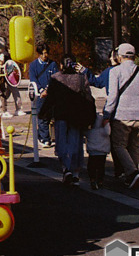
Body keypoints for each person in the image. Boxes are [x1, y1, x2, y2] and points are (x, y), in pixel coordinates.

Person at [103, 42, 139, 189]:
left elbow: (113, 96)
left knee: (118, 145)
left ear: (119, 56)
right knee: (135, 147)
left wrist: (106, 114)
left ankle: (132, 172)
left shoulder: (115, 71)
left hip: (122, 115)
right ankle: (132, 177)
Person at [39, 57, 96, 185]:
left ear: (61, 65)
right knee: (76, 144)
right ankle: (75, 173)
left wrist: (43, 113)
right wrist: (91, 116)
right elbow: (88, 97)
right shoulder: (81, 78)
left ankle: (66, 168)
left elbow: (50, 98)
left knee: (61, 143)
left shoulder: (56, 78)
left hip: (61, 115)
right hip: (77, 115)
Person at [28, 43, 59, 147]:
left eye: (46, 53)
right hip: (40, 95)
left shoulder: (53, 64)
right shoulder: (33, 65)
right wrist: (41, 90)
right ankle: (44, 138)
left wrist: (48, 89)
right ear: (39, 54)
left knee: (52, 116)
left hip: (51, 94)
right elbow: (33, 79)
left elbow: (55, 78)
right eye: (43, 53)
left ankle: (51, 136)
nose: (45, 55)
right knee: (42, 117)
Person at [86, 111, 111, 190]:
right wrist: (106, 123)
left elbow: (84, 133)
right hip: (102, 151)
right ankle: (100, 181)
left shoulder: (90, 131)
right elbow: (108, 132)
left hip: (92, 151)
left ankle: (92, 179)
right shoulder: (104, 130)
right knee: (101, 167)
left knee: (91, 166)